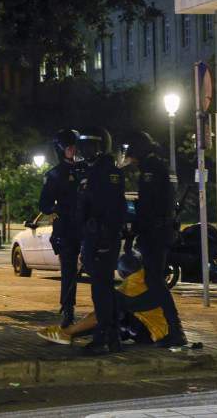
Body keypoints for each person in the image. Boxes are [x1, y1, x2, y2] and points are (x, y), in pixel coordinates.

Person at [122, 131, 187, 347]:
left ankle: (174, 329)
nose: (131, 159)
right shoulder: (163, 166)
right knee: (152, 281)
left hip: (155, 233)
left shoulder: (151, 170)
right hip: (164, 230)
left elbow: (148, 207)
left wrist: (133, 230)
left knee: (155, 282)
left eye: (132, 154)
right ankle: (153, 327)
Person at [37, 251, 181, 347]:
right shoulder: (145, 278)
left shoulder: (130, 288)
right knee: (112, 312)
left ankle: (67, 333)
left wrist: (69, 331)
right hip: (162, 331)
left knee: (106, 312)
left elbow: (100, 315)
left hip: (155, 335)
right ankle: (71, 333)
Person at [76, 127, 127, 355]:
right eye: (83, 146)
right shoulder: (99, 170)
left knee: (101, 290)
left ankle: (105, 335)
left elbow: (110, 209)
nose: (85, 150)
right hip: (98, 236)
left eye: (90, 146)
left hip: (101, 238)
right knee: (103, 288)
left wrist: (102, 238)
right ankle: (111, 336)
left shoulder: (104, 172)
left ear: (100, 147)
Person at [39, 129, 83, 328]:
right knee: (68, 271)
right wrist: (57, 210)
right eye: (69, 147)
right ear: (61, 149)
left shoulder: (85, 169)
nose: (73, 150)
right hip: (67, 228)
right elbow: (44, 204)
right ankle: (68, 310)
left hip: (87, 226)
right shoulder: (55, 174)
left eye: (74, 146)